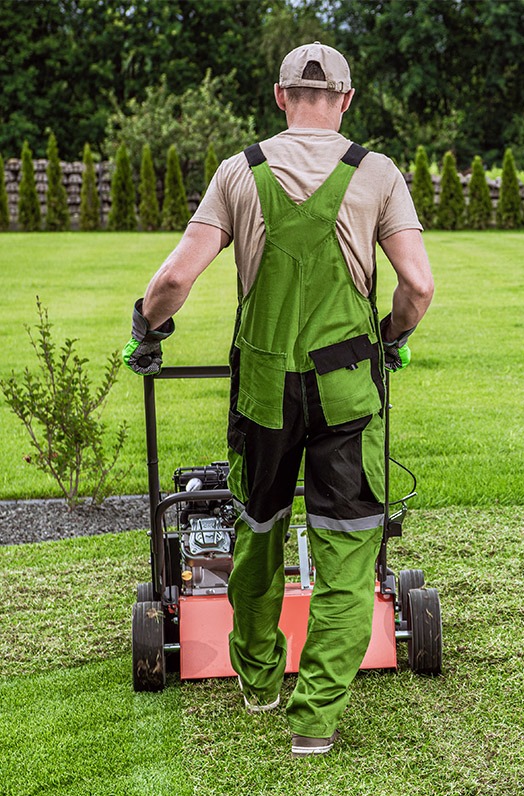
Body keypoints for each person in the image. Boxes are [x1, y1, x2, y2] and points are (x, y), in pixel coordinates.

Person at [123, 42, 434, 757]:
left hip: (264, 392)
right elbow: (417, 287)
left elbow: (176, 278)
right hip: (349, 391)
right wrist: (389, 337)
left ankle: (258, 680)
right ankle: (315, 719)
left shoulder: (241, 172)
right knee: (350, 551)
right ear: (347, 100)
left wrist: (147, 324)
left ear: (279, 95)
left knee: (259, 531)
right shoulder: (378, 173)